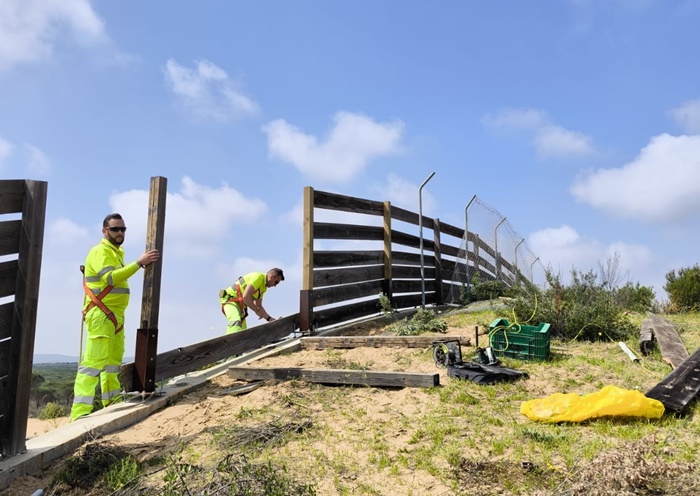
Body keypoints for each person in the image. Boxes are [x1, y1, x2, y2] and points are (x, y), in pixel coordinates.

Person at [69, 213, 159, 421]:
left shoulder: (116, 252)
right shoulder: (100, 251)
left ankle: (111, 403)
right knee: (92, 364)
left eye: (123, 229)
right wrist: (139, 263)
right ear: (105, 231)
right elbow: (109, 278)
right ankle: (80, 414)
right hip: (101, 315)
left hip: (115, 316)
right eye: (115, 229)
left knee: (112, 363)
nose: (120, 233)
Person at [219, 268, 284, 334]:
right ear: (272, 276)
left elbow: (259, 306)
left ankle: (241, 343)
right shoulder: (258, 277)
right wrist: (256, 310)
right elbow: (246, 296)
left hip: (239, 305)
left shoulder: (263, 288)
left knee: (243, 329)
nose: (275, 285)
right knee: (235, 321)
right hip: (230, 300)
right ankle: (230, 342)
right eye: (276, 282)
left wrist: (270, 319)